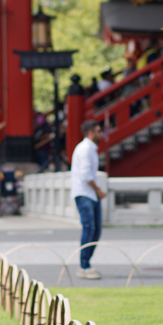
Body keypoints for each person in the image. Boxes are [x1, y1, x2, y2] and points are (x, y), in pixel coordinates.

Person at [70, 120, 106, 280]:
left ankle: (87, 263)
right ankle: (83, 265)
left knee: (96, 229)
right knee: (89, 228)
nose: (101, 134)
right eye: (99, 131)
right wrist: (98, 190)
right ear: (91, 133)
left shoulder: (90, 149)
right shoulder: (85, 149)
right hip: (85, 192)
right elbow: (85, 175)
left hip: (90, 193)